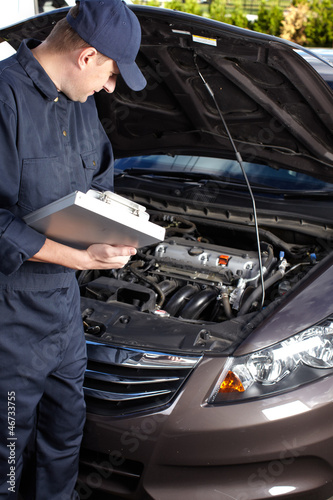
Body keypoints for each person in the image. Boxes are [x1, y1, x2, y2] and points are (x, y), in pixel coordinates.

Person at [0, 0, 146, 498]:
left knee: (63, 438)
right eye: (109, 72)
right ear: (86, 56)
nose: (110, 87)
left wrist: (123, 224)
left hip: (65, 312)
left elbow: (101, 186)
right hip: (9, 316)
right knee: (9, 453)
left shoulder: (82, 109)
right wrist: (80, 258)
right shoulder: (3, 98)